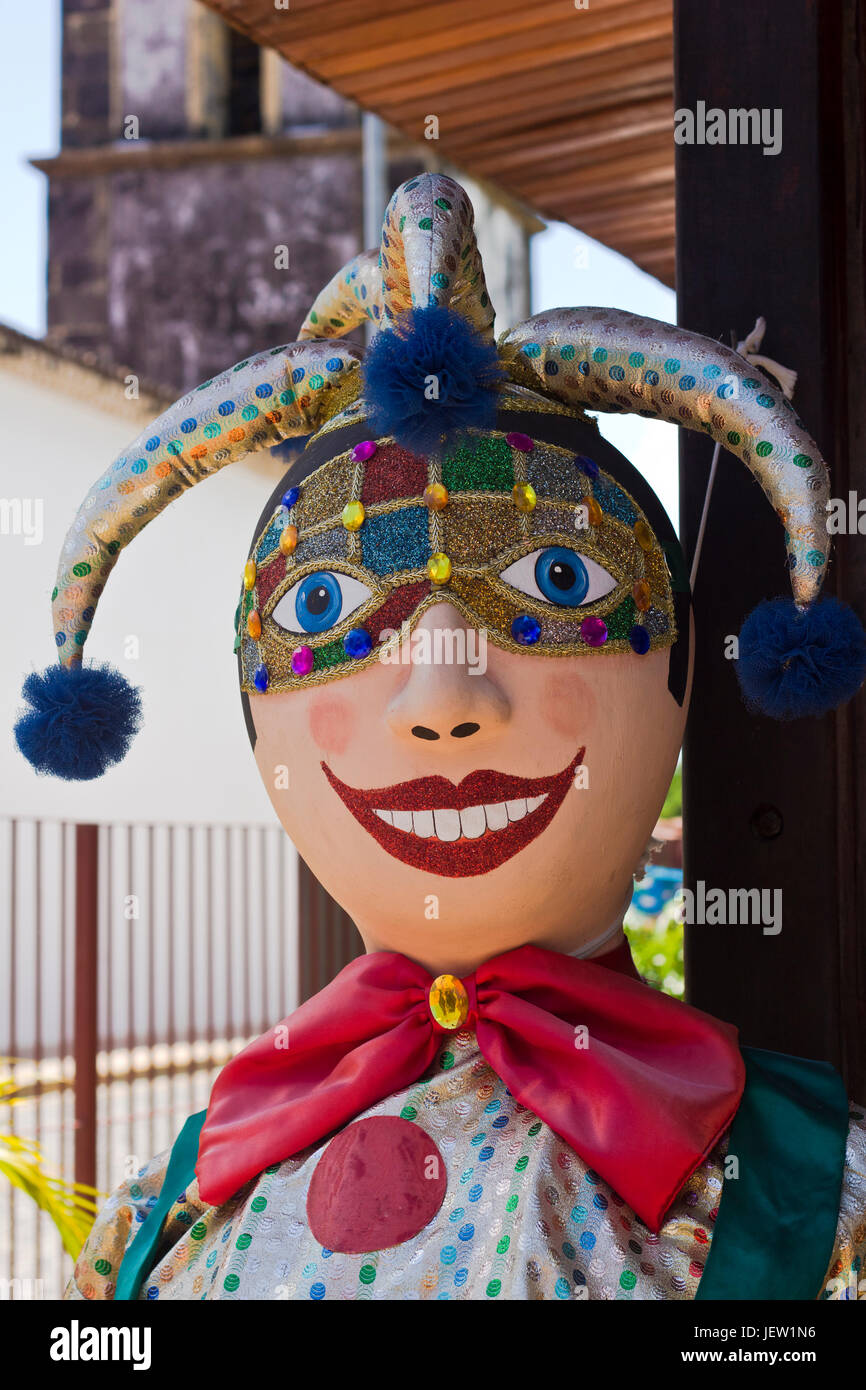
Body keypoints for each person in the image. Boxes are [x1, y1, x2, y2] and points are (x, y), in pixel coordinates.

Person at [16, 175, 866, 1301]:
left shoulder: (817, 1199)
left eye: (552, 577)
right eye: (322, 608)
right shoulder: (164, 1211)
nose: (440, 695)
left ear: (677, 670)